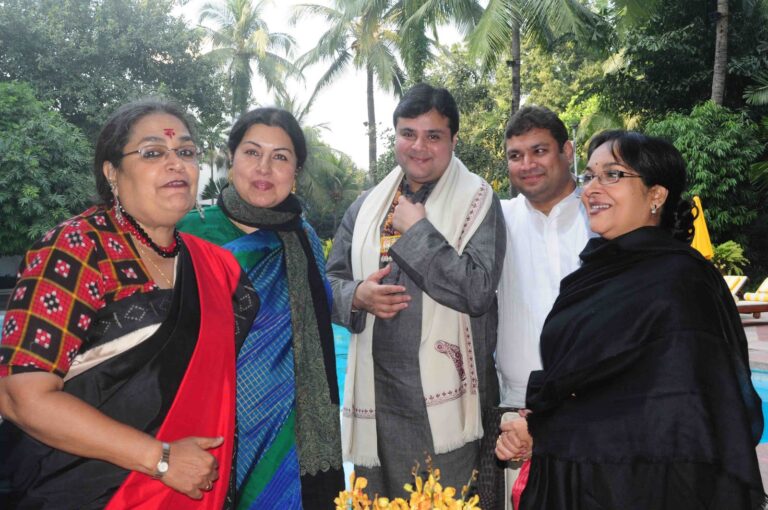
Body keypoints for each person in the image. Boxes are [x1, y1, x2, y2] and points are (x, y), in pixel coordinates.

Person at [0, 99, 257, 509]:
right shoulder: (77, 248)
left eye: (186, 152)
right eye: (153, 153)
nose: (177, 164)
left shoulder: (218, 270)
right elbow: (20, 397)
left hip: (191, 488)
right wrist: (161, 460)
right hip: (80, 491)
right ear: (112, 173)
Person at [499, 130, 767, 509]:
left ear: (656, 195)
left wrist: (546, 426)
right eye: (590, 176)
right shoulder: (591, 276)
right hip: (581, 480)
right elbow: (591, 383)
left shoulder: (679, 283)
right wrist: (541, 426)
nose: (591, 188)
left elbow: (670, 412)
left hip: (648, 488)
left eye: (612, 175)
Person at [326, 83, 506, 498]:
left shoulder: (478, 201)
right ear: (396, 136)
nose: (419, 146)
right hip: (380, 397)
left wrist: (419, 231)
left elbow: (478, 291)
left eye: (433, 136)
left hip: (450, 408)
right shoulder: (368, 205)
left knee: (448, 500)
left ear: (453, 140)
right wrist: (357, 296)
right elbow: (329, 280)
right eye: (408, 133)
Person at [178, 107, 344, 509]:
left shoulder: (302, 236)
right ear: (231, 158)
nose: (264, 168)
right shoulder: (189, 232)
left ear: (296, 170)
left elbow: (320, 320)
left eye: (281, 157)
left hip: (293, 425)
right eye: (252, 152)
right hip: (210, 425)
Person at [479, 106, 591, 509]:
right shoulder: (495, 223)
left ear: (567, 151)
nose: (527, 165)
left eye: (539, 151)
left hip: (597, 409)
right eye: (515, 155)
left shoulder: (601, 217)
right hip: (517, 415)